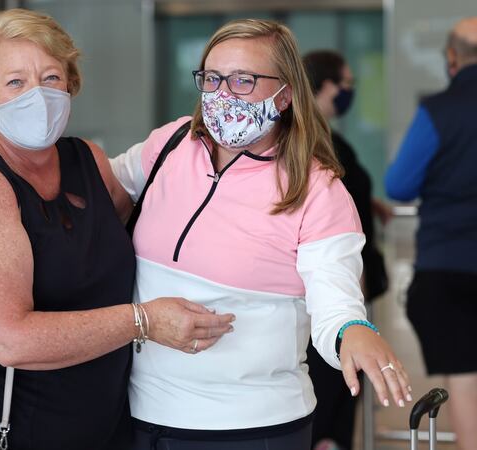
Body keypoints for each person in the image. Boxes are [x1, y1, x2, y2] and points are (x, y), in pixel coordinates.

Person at [0, 9, 232, 450]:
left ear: (70, 85)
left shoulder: (88, 161)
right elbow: (8, 339)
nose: (37, 96)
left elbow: (136, 228)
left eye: (50, 78)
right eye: (16, 83)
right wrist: (144, 321)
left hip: (98, 423)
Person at [110, 19, 412, 450]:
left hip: (252, 427)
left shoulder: (316, 188)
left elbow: (334, 296)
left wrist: (352, 330)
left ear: (285, 95)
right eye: (212, 79)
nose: (222, 95)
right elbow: (97, 187)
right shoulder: (172, 144)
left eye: (243, 80)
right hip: (142, 414)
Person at [385, 16, 477, 450]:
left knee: (464, 377)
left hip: (448, 265)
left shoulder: (439, 111)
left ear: (452, 58)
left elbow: (399, 185)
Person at [303, 49, 391, 450]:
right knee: (331, 385)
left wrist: (371, 204)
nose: (350, 91)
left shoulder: (326, 138)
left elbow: (345, 195)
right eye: (346, 83)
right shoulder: (311, 141)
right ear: (323, 85)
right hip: (332, 291)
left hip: (346, 287)